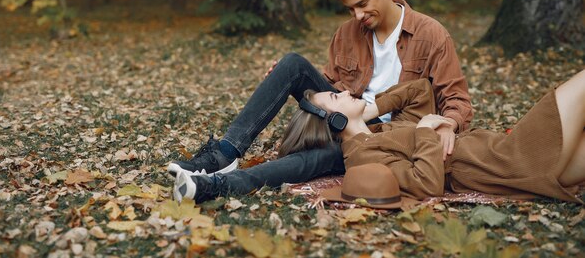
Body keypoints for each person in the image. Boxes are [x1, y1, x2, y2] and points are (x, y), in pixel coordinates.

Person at [168, 0, 472, 195]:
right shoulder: (347, 33)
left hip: (388, 138)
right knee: (290, 65)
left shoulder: (431, 34)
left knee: (319, 159)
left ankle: (217, 187)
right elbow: (332, 85)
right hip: (347, 116)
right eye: (351, 9)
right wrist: (286, 80)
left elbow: (457, 99)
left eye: (362, 5)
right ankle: (224, 154)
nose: (358, 16)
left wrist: (448, 124)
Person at [175, 72, 585, 204]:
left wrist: (437, 120)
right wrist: (425, 132)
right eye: (336, 96)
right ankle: (214, 178)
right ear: (333, 121)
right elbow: (427, 185)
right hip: (506, 158)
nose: (343, 89)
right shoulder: (363, 157)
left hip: (504, 153)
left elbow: (421, 89)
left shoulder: (377, 131)